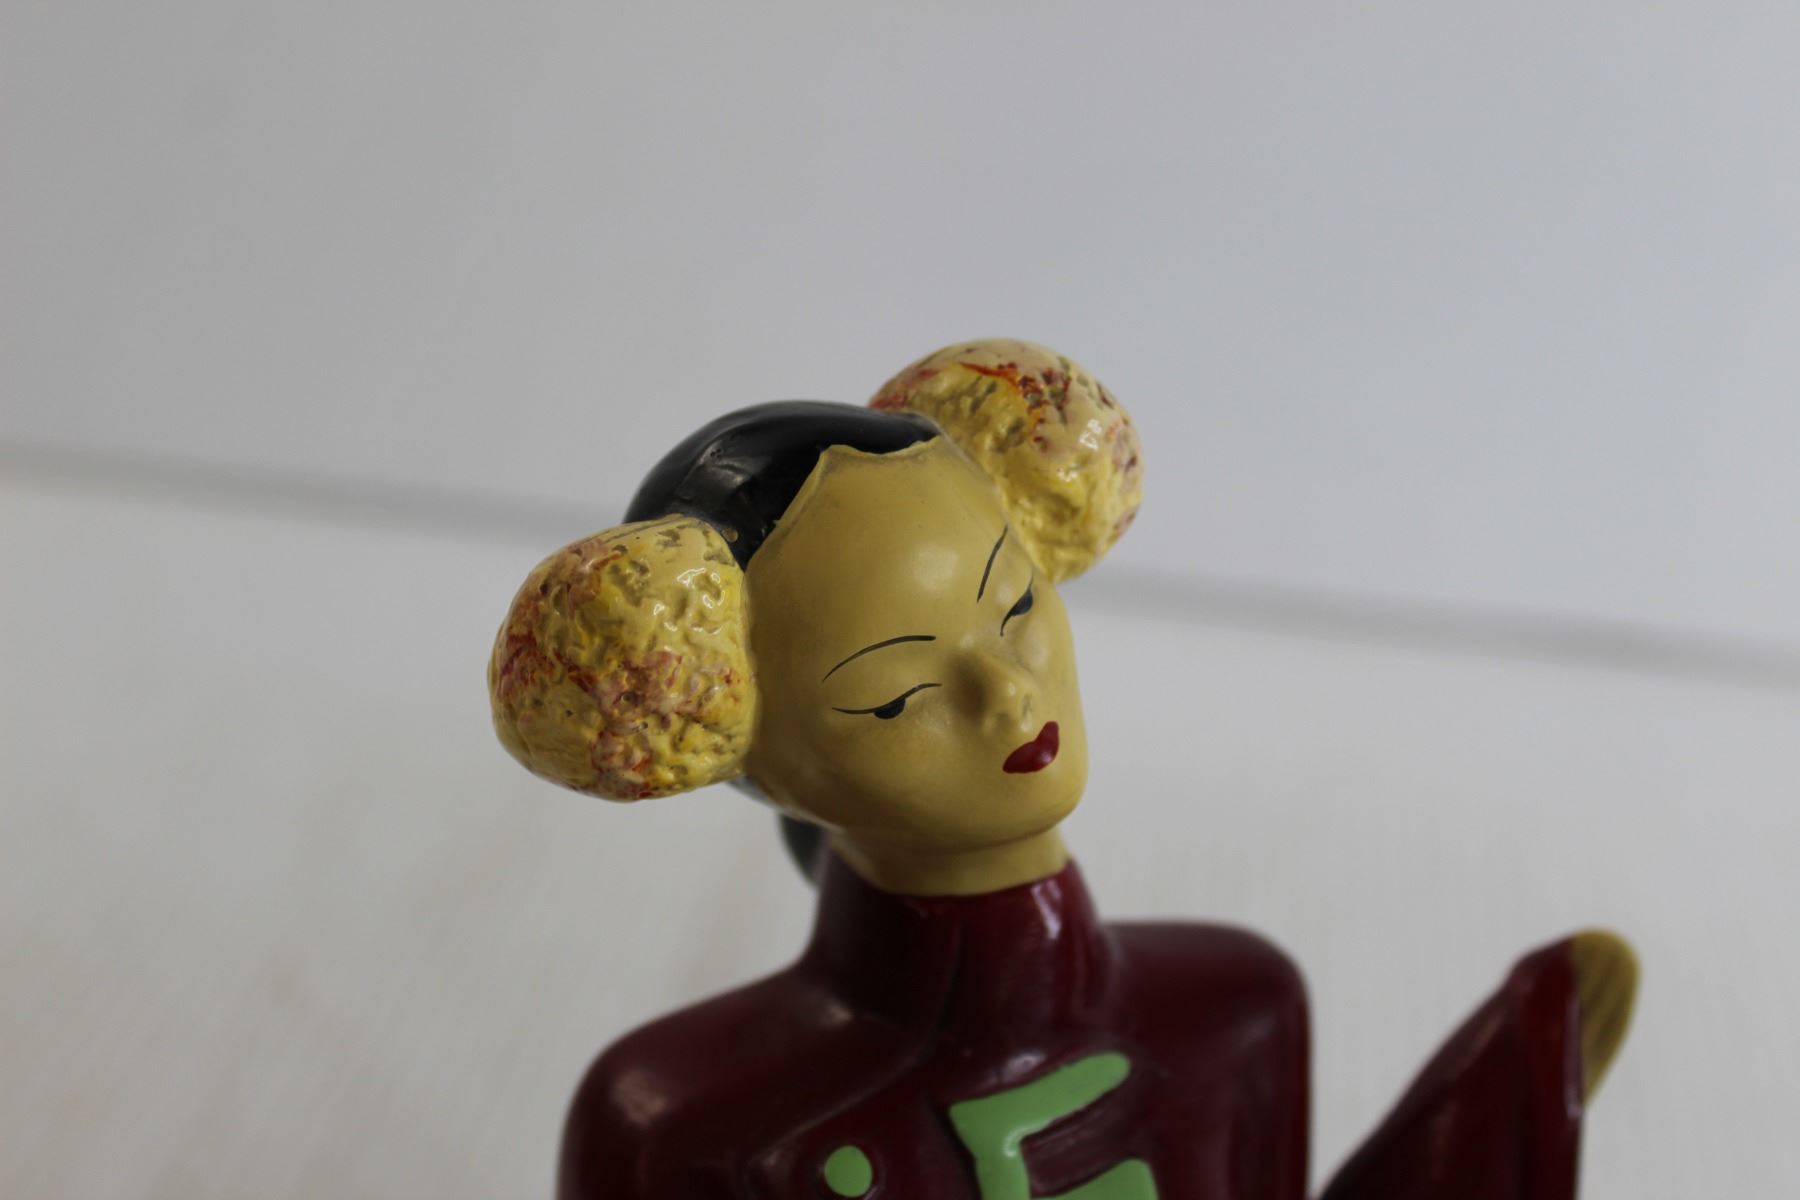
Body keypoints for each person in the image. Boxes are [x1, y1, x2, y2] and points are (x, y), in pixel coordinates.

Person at [487, 339, 1637, 1200]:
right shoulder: (686, 1133)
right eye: (896, 692)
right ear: (736, 744)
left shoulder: (1236, 1019)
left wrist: (1500, 1104)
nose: (1005, 692)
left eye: (1016, 607)